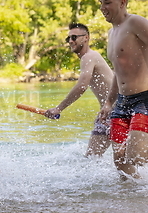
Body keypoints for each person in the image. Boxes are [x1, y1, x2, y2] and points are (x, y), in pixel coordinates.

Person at [98, 0, 148, 179]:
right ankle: (132, 206)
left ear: (122, 2)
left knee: (137, 155)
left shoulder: (135, 23)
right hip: (122, 103)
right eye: (101, 3)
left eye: (107, 2)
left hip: (144, 100)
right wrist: (109, 102)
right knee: (122, 167)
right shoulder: (111, 33)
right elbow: (118, 72)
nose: (102, 8)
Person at [44, 23, 114, 157]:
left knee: (92, 158)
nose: (70, 41)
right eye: (68, 38)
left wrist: (59, 109)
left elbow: (82, 86)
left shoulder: (88, 56)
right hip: (108, 113)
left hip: (116, 112)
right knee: (94, 158)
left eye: (74, 37)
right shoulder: (90, 57)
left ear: (86, 38)